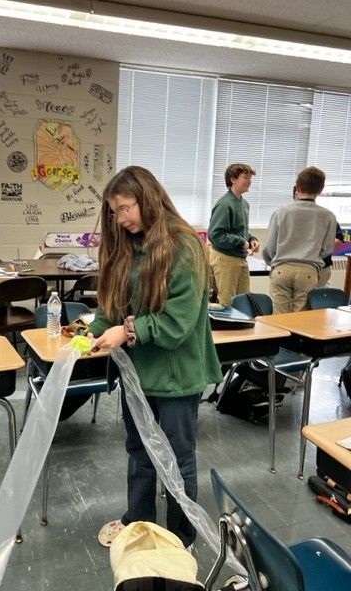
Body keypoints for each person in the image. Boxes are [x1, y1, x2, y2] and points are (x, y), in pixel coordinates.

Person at [88, 165, 222, 549]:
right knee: (140, 450)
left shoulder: (184, 246)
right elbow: (113, 305)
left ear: (147, 199)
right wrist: (93, 331)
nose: (121, 218)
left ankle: (180, 536)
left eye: (126, 207)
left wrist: (128, 331)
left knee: (178, 457)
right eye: (114, 211)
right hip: (139, 375)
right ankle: (139, 523)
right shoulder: (127, 244)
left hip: (176, 375)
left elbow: (177, 324)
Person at [263, 167, 336, 313]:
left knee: (279, 320)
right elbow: (327, 249)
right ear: (320, 190)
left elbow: (269, 248)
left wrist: (274, 262)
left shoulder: (281, 212)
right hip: (308, 271)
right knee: (301, 322)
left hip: (281, 270)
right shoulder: (328, 216)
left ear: (298, 187)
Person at [208, 163, 260, 306]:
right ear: (233, 179)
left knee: (243, 301)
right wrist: (239, 241)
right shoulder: (225, 204)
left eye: (250, 178)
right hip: (225, 259)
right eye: (245, 177)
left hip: (240, 258)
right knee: (227, 302)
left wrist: (251, 239)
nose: (249, 181)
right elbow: (215, 235)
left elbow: (240, 230)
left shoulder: (244, 204)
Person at [292, 185, 344, 289]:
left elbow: (339, 238)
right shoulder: (288, 215)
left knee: (318, 298)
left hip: (321, 266)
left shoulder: (325, 216)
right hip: (297, 266)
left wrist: (319, 247)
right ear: (295, 195)